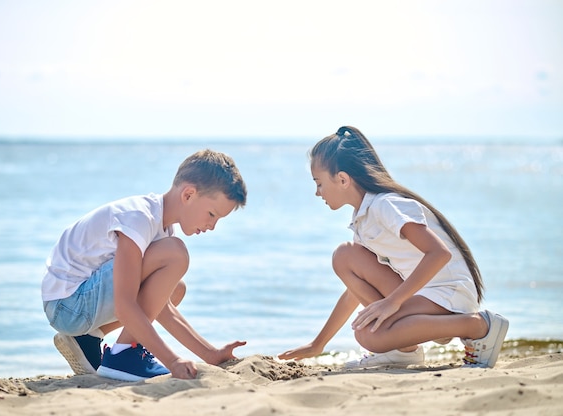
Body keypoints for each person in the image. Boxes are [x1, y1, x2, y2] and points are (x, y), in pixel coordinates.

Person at [278, 126, 508, 368]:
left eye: (319, 183)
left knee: (366, 330)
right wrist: (318, 344)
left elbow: (439, 254)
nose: (317, 192)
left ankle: (478, 325)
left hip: (447, 292)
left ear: (343, 179)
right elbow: (354, 292)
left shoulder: (385, 205)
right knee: (346, 260)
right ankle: (402, 350)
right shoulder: (363, 220)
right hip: (423, 293)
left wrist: (393, 302)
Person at [42, 149, 248, 381]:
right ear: (188, 194)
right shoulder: (140, 218)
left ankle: (87, 339)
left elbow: (161, 308)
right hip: (68, 305)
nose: (212, 225)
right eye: (212, 214)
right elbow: (125, 305)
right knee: (176, 253)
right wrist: (172, 360)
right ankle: (123, 356)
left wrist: (210, 353)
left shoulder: (160, 228)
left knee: (175, 289)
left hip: (76, 306)